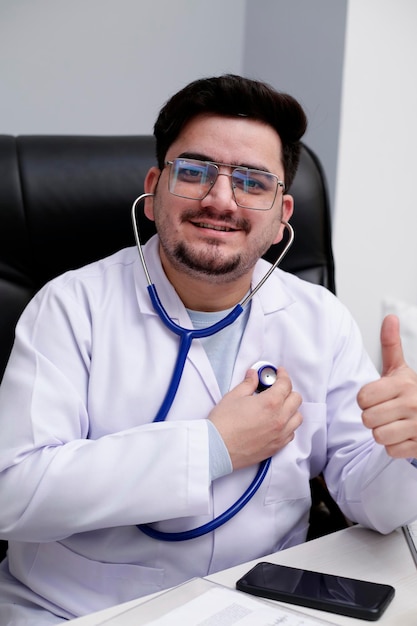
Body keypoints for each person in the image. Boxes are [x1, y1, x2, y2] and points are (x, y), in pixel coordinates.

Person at [1, 74, 417, 625]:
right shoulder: (70, 307)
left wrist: (406, 450)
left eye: (252, 182)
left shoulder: (320, 319)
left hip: (259, 606)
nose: (221, 199)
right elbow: (14, 491)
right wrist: (214, 447)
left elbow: (374, 505)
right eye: (195, 172)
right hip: (78, 609)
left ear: (281, 216)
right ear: (153, 191)